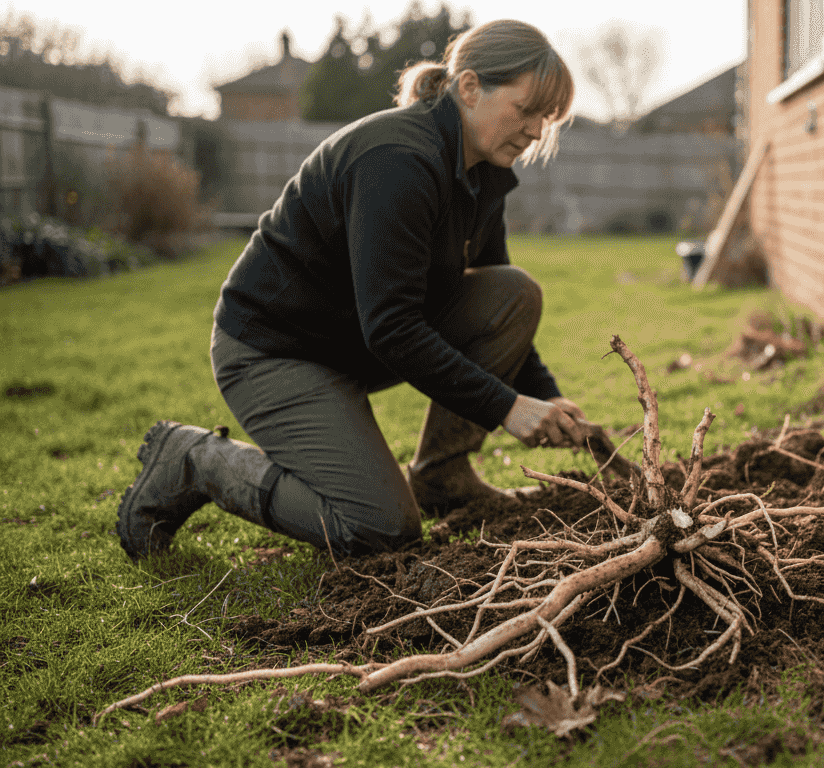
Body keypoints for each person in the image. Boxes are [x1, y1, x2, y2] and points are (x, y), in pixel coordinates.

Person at [116, 20, 593, 560]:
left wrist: (545, 395)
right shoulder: (398, 161)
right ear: (469, 88)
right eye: (526, 110)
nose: (534, 130)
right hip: (274, 351)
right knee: (380, 528)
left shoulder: (482, 173)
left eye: (545, 119)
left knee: (513, 292)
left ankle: (443, 477)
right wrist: (506, 407)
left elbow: (494, 310)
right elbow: (392, 326)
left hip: (353, 345)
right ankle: (194, 461)